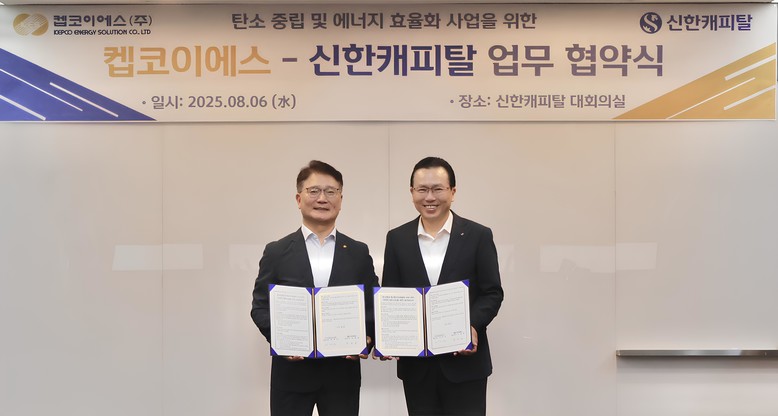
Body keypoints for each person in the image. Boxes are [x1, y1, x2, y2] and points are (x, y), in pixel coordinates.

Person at [251, 160, 379, 416]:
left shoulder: (358, 252)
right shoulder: (276, 252)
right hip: (291, 377)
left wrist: (367, 338)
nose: (322, 198)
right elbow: (260, 307)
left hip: (342, 376)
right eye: (314, 191)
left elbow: (373, 305)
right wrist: (281, 340)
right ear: (299, 199)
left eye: (331, 191)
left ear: (340, 200)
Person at [380, 156, 504, 416]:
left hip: (466, 366)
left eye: (437, 189)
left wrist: (471, 325)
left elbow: (492, 292)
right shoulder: (397, 239)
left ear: (453, 192)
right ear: (412, 192)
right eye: (422, 189)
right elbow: (391, 294)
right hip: (417, 368)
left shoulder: (478, 235)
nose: (430, 197)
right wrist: (388, 335)